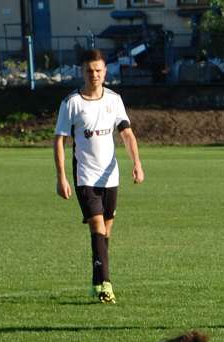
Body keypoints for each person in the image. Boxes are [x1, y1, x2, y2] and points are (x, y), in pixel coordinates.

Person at [53, 49, 144, 304]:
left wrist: (137, 163)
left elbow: (126, 133)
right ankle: (106, 285)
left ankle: (97, 280)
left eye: (98, 70)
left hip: (110, 176)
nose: (94, 75)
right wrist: (61, 177)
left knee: (106, 233)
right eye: (89, 71)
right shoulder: (71, 103)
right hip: (85, 176)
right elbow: (59, 141)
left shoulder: (114, 100)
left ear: (105, 72)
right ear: (82, 73)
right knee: (97, 226)